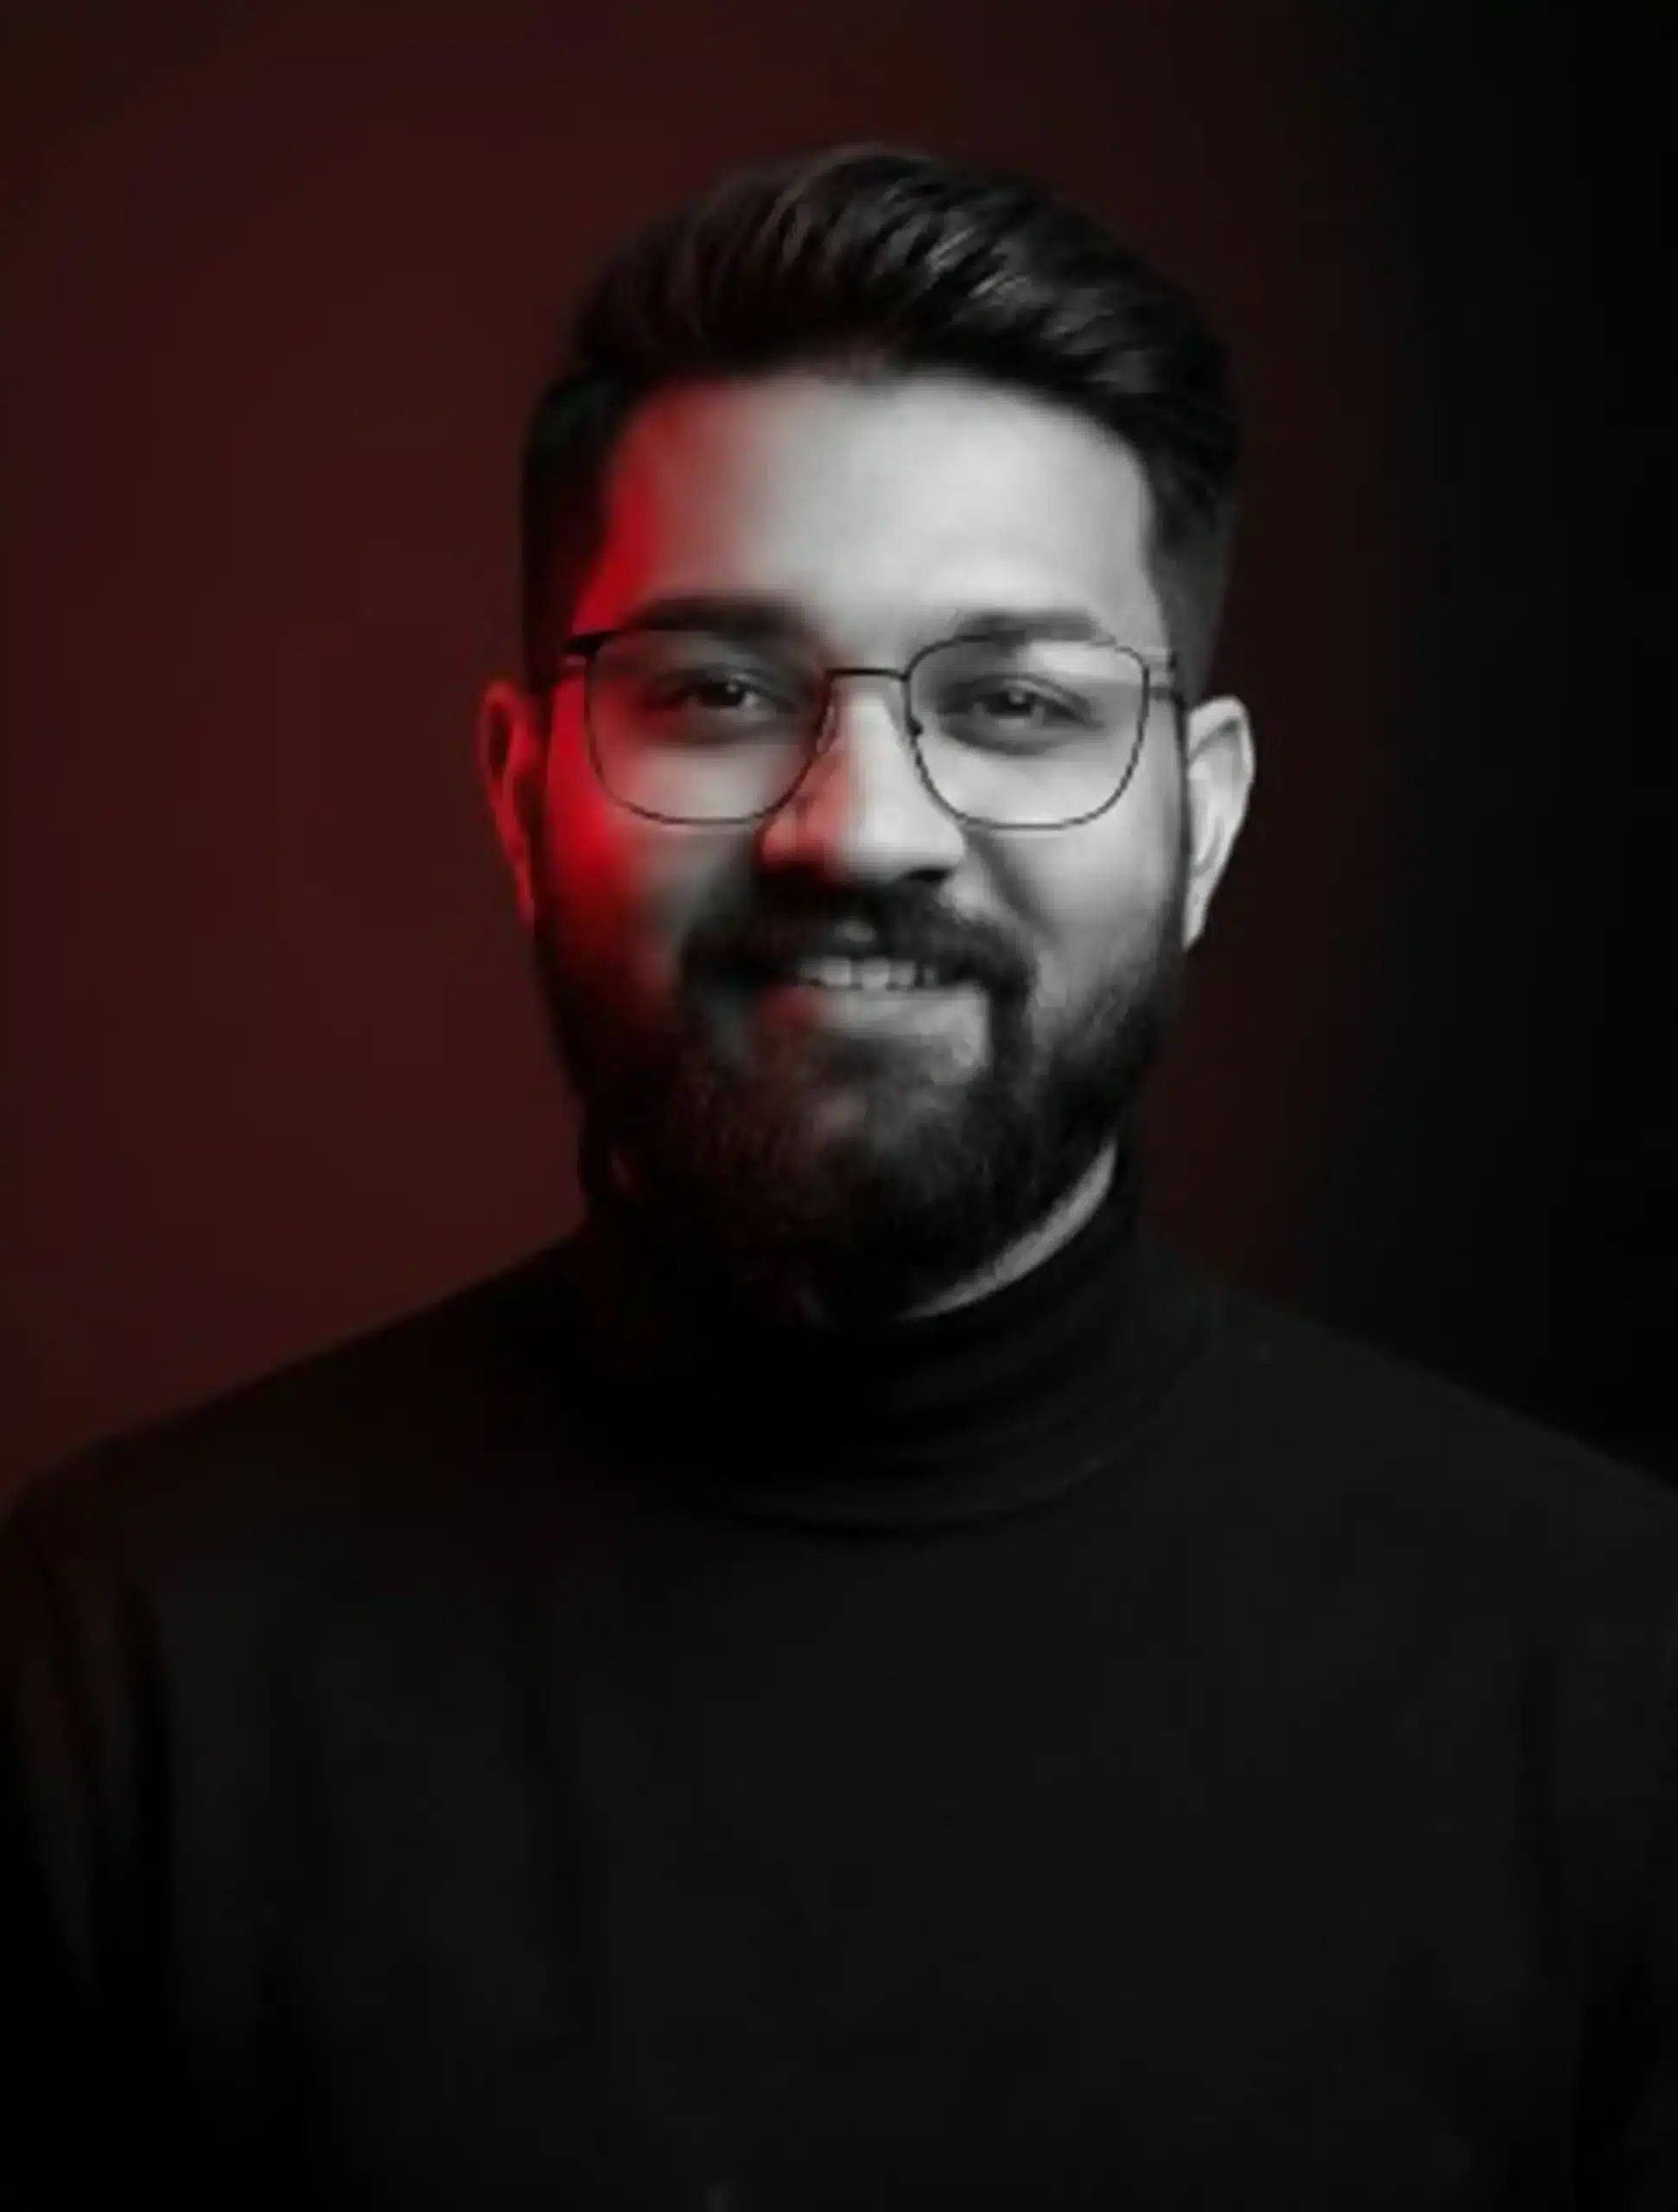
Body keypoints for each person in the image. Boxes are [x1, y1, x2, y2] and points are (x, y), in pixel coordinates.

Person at [1, 143, 1673, 2210]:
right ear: (524, 803)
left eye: (1014, 702)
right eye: (714, 690)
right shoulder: (117, 1664)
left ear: (1203, 822)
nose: (858, 825)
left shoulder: (1611, 1676)